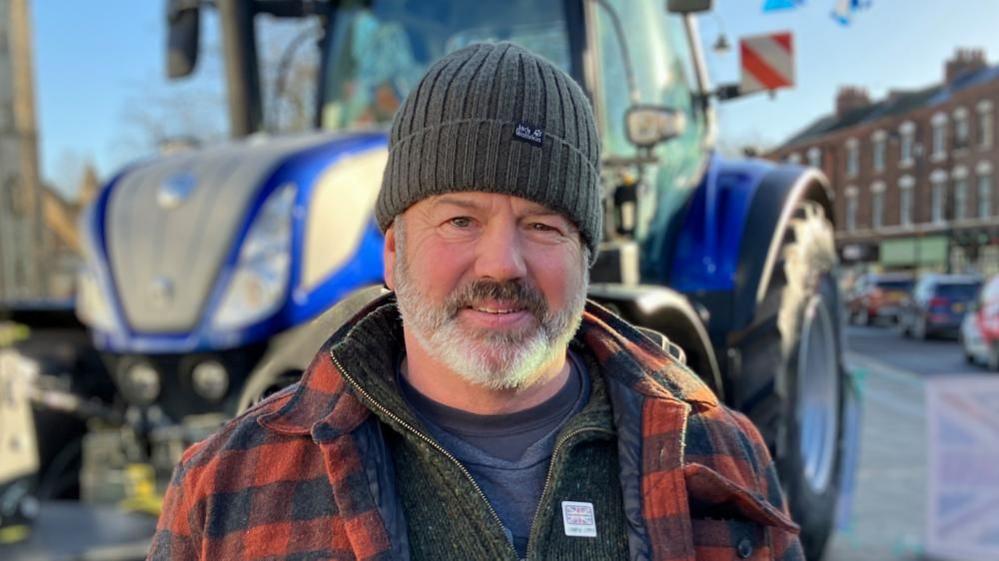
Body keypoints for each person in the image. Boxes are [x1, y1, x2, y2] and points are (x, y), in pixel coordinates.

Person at [149, 42, 804, 561]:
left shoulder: (723, 465)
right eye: (459, 220)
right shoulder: (225, 492)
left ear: (585, 257)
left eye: (544, 225)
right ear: (392, 253)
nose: (501, 264)